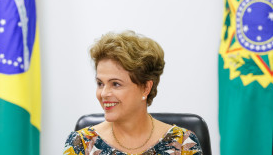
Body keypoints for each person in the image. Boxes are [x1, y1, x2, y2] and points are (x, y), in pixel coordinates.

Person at [63, 31, 203, 155]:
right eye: (100, 83)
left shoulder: (184, 143)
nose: (104, 93)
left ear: (146, 88)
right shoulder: (81, 143)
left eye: (116, 84)